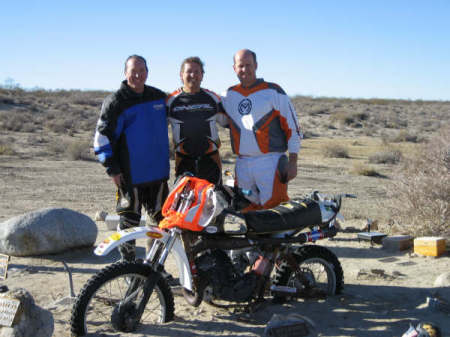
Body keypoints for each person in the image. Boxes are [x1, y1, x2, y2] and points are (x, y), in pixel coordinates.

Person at [93, 55, 169, 262]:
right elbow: (101, 140)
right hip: (130, 175)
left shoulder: (157, 97)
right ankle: (129, 269)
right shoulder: (116, 102)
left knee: (161, 225)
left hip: (158, 175)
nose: (138, 75)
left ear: (148, 71)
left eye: (142, 70)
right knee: (129, 225)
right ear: (125, 72)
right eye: (133, 71)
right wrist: (113, 169)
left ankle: (155, 269)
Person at [222, 49, 301, 211]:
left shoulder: (273, 91)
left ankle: (282, 235)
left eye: (248, 65)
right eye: (241, 66)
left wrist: (293, 162)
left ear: (256, 65)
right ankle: (254, 237)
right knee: (246, 204)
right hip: (243, 163)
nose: (245, 70)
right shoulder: (228, 95)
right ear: (234, 68)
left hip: (270, 162)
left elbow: (293, 128)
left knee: (275, 207)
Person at [166, 56, 228, 185]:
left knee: (213, 202)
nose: (193, 75)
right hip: (184, 161)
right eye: (189, 71)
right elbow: (158, 129)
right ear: (181, 74)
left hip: (211, 161)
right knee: (185, 202)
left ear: (202, 75)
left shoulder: (213, 98)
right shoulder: (171, 101)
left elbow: (228, 123)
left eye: (197, 71)